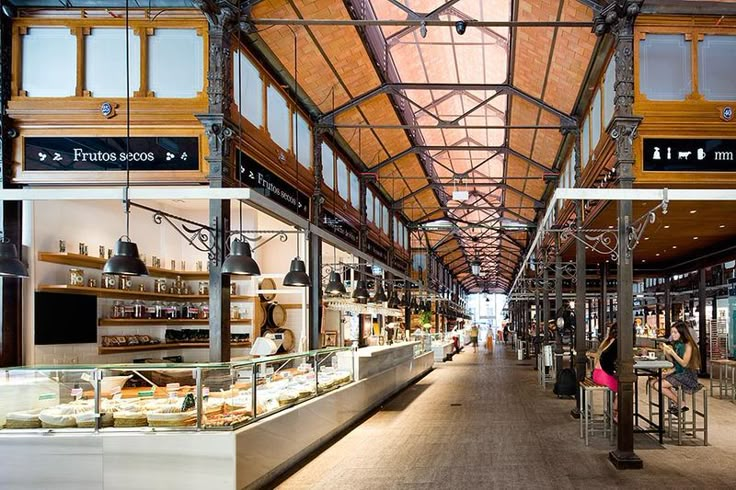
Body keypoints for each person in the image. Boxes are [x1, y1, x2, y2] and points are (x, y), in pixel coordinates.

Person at [652, 321, 702, 414]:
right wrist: (666, 352)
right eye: (672, 332)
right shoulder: (678, 344)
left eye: (675, 332)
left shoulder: (689, 345)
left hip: (688, 375)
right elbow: (674, 362)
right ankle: (676, 402)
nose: (673, 335)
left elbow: (684, 364)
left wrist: (672, 353)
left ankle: (680, 403)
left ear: (682, 333)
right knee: (653, 382)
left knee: (658, 385)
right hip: (679, 372)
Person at [593, 322, 618, 423]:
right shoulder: (616, 343)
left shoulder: (607, 341)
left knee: (621, 387)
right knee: (626, 389)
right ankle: (615, 413)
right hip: (604, 375)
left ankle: (614, 411)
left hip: (597, 373)